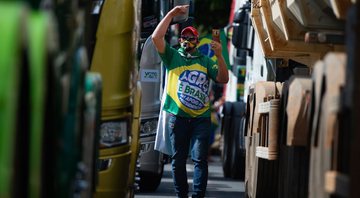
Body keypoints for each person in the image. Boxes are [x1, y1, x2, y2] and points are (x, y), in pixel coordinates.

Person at [152, 5, 229, 198]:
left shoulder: (205, 60)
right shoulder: (172, 56)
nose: (187, 40)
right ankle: (182, 196)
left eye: (191, 38)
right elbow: (156, 37)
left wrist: (219, 56)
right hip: (177, 118)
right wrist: (171, 14)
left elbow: (223, 78)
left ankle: (198, 196)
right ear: (180, 40)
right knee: (178, 161)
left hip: (200, 119)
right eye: (184, 37)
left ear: (196, 41)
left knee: (199, 159)